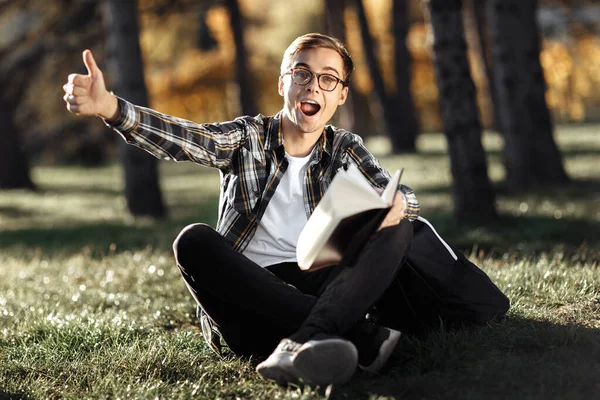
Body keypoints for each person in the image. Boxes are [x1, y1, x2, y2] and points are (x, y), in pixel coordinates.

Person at [63, 33, 506, 388]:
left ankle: (310, 341)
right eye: (302, 73)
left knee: (396, 227)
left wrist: (398, 204)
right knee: (192, 240)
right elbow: (188, 138)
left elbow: (397, 192)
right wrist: (112, 109)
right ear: (283, 84)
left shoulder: (345, 148)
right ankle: (352, 338)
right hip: (248, 299)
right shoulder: (248, 137)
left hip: (321, 286)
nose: (314, 84)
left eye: (328, 79)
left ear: (341, 96)